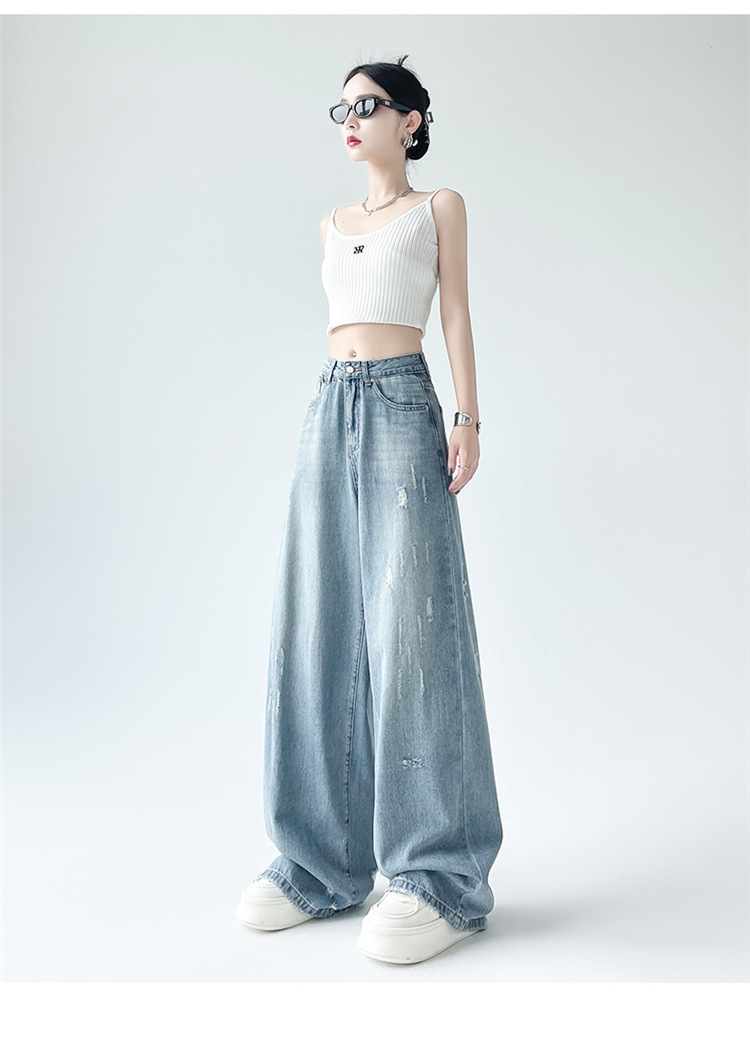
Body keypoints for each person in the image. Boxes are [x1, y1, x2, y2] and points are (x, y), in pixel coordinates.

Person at [236, 55, 503, 965]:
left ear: (411, 120)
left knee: (413, 632)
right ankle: (318, 863)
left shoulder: (439, 207)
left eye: (369, 105)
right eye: (342, 108)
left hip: (400, 403)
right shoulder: (331, 222)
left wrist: (467, 417)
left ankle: (437, 874)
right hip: (328, 406)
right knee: (316, 622)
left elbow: (456, 315)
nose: (351, 120)